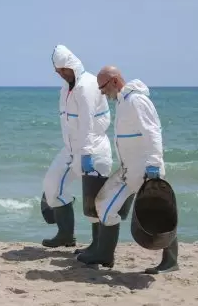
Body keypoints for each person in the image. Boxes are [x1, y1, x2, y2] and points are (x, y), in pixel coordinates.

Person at [76, 65, 179, 274]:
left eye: (103, 87)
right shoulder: (123, 101)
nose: (102, 93)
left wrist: (153, 163)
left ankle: (170, 261)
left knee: (162, 214)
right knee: (103, 204)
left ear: (114, 81)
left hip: (145, 170)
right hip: (127, 170)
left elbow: (152, 132)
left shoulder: (137, 101)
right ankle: (104, 254)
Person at [40, 45, 113, 251]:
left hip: (93, 149)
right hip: (70, 150)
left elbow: (88, 123)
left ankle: (98, 247)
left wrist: (87, 154)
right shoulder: (66, 88)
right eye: (58, 71)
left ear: (72, 65)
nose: (61, 74)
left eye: (64, 69)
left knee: (94, 202)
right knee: (52, 185)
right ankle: (65, 235)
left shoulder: (86, 86)